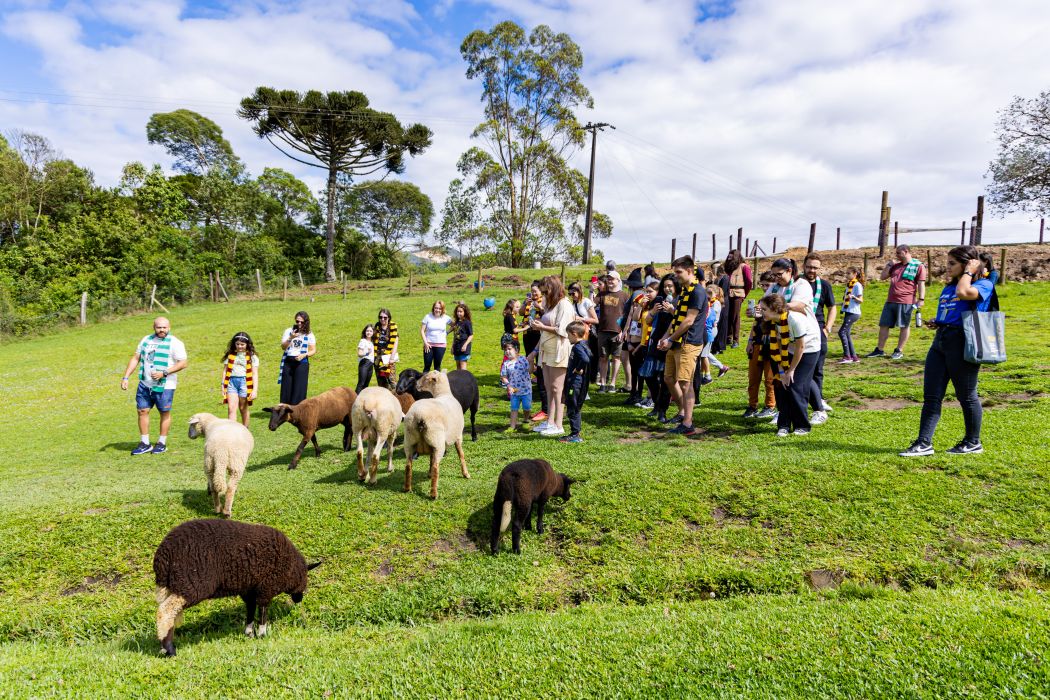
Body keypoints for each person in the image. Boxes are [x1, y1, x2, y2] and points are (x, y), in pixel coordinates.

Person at [899, 246, 995, 457]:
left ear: (968, 264)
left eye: (952, 263)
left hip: (963, 342)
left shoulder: (984, 284)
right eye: (947, 263)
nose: (947, 267)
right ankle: (924, 443)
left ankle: (973, 441)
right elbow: (953, 309)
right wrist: (938, 321)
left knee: (966, 395)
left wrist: (969, 272)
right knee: (931, 395)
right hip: (941, 341)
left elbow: (964, 293)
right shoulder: (949, 287)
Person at [121, 316, 188, 455]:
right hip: (145, 383)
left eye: (164, 327)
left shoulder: (175, 343)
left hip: (165, 385)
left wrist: (164, 373)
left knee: (164, 412)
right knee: (142, 411)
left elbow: (183, 363)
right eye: (159, 327)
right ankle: (145, 443)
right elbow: (136, 358)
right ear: (154, 327)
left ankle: (161, 443)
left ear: (169, 327)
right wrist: (126, 377)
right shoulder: (146, 340)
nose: (162, 330)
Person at [758, 294, 821, 437]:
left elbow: (801, 347)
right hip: (790, 349)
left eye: (764, 309)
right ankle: (784, 425)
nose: (762, 312)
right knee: (781, 385)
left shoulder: (793, 319)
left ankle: (802, 425)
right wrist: (781, 372)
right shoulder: (774, 322)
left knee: (795, 385)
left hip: (809, 349)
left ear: (775, 309)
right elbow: (779, 346)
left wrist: (791, 371)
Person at [658, 256, 708, 436]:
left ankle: (688, 423)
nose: (676, 275)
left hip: (689, 342)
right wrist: (665, 337)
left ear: (689, 271)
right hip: (676, 341)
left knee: (686, 383)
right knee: (669, 378)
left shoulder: (697, 292)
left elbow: (688, 321)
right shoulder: (685, 290)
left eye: (679, 272)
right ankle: (682, 412)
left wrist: (670, 339)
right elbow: (677, 319)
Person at [531, 275, 575, 437]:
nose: (544, 294)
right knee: (549, 387)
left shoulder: (565, 305)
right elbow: (547, 328)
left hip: (559, 350)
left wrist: (542, 327)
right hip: (547, 351)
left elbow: (563, 330)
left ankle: (559, 424)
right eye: (542, 292)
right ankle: (550, 421)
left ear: (554, 289)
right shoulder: (551, 305)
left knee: (557, 388)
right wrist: (535, 349)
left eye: (546, 291)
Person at [867, 244, 927, 360]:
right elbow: (883, 277)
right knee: (884, 325)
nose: (896, 255)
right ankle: (879, 349)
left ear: (906, 251)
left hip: (906, 301)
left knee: (904, 325)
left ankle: (899, 350)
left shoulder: (918, 266)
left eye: (899, 253)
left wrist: (921, 299)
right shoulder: (895, 266)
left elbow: (921, 284)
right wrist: (889, 265)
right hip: (890, 300)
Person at [801, 253, 836, 415]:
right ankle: (802, 397)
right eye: (809, 267)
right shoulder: (797, 283)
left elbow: (832, 307)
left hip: (819, 329)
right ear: (803, 266)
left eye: (815, 268)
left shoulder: (825, 285)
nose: (812, 270)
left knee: (818, 367)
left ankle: (819, 398)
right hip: (800, 329)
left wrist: (828, 328)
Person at [641, 275, 677, 421]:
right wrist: (653, 311)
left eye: (670, 286)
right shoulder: (659, 300)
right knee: (648, 375)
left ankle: (662, 411)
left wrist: (672, 310)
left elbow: (681, 320)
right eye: (665, 286)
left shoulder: (679, 300)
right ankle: (656, 404)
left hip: (671, 342)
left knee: (666, 379)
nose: (667, 289)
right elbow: (648, 320)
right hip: (655, 341)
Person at [743, 271, 778, 419]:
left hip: (771, 344)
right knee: (753, 378)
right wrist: (750, 341)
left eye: (767, 285)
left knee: (770, 379)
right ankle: (752, 406)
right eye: (762, 285)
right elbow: (755, 323)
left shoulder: (777, 302)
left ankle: (770, 406)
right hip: (757, 342)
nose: (764, 288)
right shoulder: (761, 301)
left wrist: (763, 315)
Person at [595, 272, 629, 392]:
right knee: (603, 357)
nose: (609, 281)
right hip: (603, 330)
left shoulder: (624, 296)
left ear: (618, 280)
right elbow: (591, 305)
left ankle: (613, 383)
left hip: (617, 331)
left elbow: (628, 315)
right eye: (608, 279)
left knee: (616, 358)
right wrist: (591, 291)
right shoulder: (602, 294)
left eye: (612, 279)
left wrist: (623, 330)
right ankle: (603, 383)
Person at [560, 321, 592, 444]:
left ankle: (575, 434)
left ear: (574, 334)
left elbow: (585, 359)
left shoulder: (577, 347)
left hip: (574, 383)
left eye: (568, 335)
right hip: (577, 383)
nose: (568, 338)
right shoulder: (584, 344)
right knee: (574, 406)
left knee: (573, 407)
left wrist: (578, 369)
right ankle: (575, 433)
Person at [521, 282, 548, 422]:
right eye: (532, 291)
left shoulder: (544, 301)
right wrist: (524, 304)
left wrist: (539, 307)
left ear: (541, 292)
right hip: (528, 334)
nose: (533, 293)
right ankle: (537, 379)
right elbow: (521, 313)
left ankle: (541, 381)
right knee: (529, 358)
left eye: (535, 291)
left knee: (540, 362)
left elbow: (545, 315)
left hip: (539, 334)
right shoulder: (529, 301)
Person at [618, 268, 647, 400]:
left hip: (635, 334)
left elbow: (631, 315)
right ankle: (634, 391)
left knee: (636, 365)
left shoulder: (637, 294)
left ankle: (635, 393)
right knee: (633, 364)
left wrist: (625, 331)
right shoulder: (639, 294)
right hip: (634, 334)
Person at [220, 332, 259, 427]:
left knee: (243, 408)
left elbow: (254, 374)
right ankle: (233, 431)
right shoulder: (230, 355)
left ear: (247, 344)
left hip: (245, 383)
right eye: (237, 344)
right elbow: (225, 371)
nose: (239, 346)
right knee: (231, 408)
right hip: (231, 383)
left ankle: (245, 430)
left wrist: (254, 390)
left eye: (242, 344)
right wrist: (222, 385)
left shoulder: (252, 357)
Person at [279, 311, 315, 405]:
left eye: (302, 322)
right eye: (297, 321)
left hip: (301, 362)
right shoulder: (288, 331)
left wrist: (304, 355)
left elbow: (313, 350)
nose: (299, 323)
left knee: (299, 388)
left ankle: (298, 409)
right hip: (288, 361)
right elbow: (283, 347)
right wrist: (291, 337)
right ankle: (285, 409)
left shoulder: (309, 334)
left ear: (306, 322)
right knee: (286, 387)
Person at [569, 281, 600, 387]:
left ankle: (588, 380)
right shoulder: (573, 304)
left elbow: (595, 320)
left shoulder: (586, 302)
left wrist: (580, 318)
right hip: (577, 335)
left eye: (573, 293)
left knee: (586, 358)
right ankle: (579, 381)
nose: (572, 296)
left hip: (587, 334)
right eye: (570, 294)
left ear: (579, 291)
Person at [699, 284, 729, 385]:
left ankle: (708, 376)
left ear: (715, 294)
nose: (707, 295)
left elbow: (710, 317)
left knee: (704, 354)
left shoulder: (716, 303)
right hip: (707, 329)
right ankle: (703, 374)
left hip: (710, 330)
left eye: (710, 293)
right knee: (704, 353)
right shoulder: (708, 302)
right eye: (706, 292)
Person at [500, 341, 532, 432]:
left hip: (526, 390)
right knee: (514, 408)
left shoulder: (523, 359)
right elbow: (503, 377)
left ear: (516, 350)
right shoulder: (506, 363)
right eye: (505, 350)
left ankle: (526, 420)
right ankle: (512, 426)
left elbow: (530, 371)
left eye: (509, 349)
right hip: (514, 391)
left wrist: (532, 361)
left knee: (527, 407)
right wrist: (508, 385)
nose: (507, 351)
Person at [725, 249, 753, 347]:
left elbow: (749, 282)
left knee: (735, 316)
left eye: (731, 256)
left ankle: (736, 340)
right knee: (728, 315)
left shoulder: (744, 267)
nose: (729, 258)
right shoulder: (729, 267)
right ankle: (728, 337)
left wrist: (744, 294)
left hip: (738, 294)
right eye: (729, 256)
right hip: (728, 294)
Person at [837, 268, 865, 363]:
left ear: (855, 274)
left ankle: (847, 357)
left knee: (841, 332)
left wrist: (853, 297)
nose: (846, 275)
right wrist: (836, 304)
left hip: (853, 313)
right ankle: (854, 357)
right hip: (848, 311)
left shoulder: (857, 285)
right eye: (846, 273)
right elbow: (847, 301)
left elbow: (860, 300)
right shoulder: (849, 285)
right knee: (846, 333)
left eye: (849, 273)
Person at [421, 300, 452, 373]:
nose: (437, 310)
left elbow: (454, 325)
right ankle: (425, 380)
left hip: (441, 345)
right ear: (433, 308)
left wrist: (447, 333)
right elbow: (422, 330)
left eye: (440, 308)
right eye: (436, 308)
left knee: (437, 367)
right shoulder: (428, 317)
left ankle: (437, 380)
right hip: (428, 345)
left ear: (442, 309)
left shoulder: (446, 318)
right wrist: (425, 343)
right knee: (427, 366)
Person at [375, 309, 399, 389]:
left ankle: (395, 395)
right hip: (378, 358)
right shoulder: (377, 327)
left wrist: (392, 358)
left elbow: (395, 344)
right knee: (381, 381)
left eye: (385, 318)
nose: (382, 319)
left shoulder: (393, 328)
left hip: (388, 357)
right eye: (380, 317)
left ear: (389, 318)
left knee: (392, 381)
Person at [451, 303, 474, 371]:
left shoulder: (467, 322)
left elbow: (471, 335)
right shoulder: (456, 322)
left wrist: (465, 345)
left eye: (461, 311)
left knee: (463, 368)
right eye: (458, 311)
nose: (459, 313)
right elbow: (455, 336)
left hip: (464, 348)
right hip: (457, 348)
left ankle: (464, 378)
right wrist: (452, 346)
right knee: (458, 368)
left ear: (465, 312)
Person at [356, 324, 376, 393]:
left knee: (366, 385)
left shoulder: (372, 342)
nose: (369, 332)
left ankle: (363, 398)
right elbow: (359, 353)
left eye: (370, 331)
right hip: (364, 363)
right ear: (365, 332)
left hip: (371, 364)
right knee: (361, 383)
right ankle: (355, 398)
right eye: (367, 331)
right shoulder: (363, 341)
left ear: (373, 332)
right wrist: (367, 352)